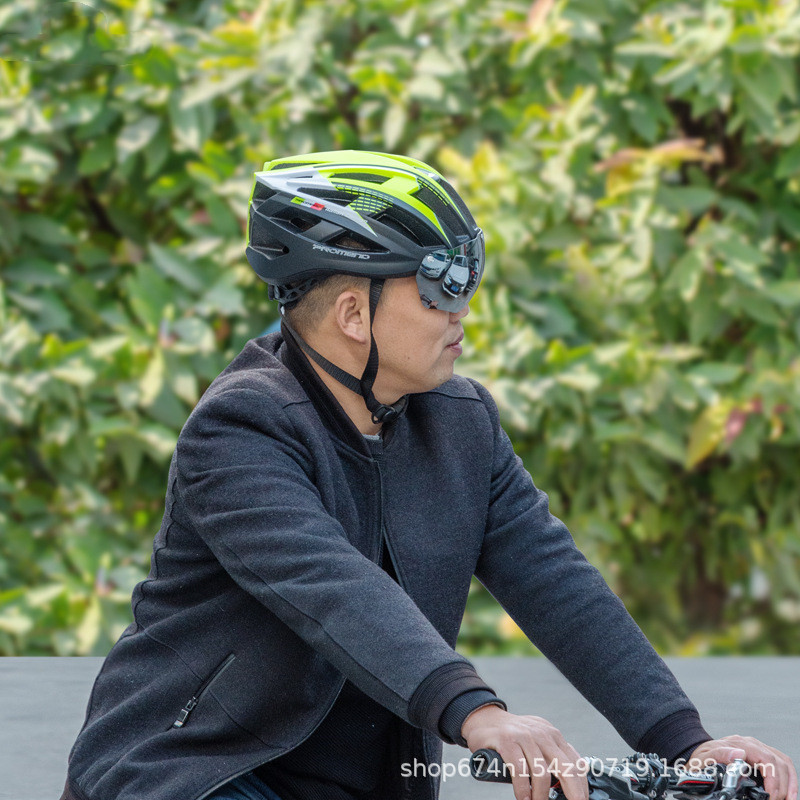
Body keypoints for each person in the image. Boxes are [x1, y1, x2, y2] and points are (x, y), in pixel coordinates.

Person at [59, 151, 797, 800]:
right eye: (441, 285)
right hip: (195, 773)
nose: (463, 309)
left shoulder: (460, 424)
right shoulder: (240, 429)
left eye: (469, 276)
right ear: (354, 313)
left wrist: (683, 742)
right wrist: (477, 711)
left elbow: (555, 581)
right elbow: (334, 589)